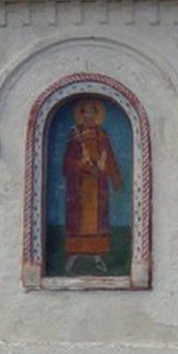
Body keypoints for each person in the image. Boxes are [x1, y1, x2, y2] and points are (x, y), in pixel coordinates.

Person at [62, 98, 122, 273]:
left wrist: (114, 177)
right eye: (86, 112)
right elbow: (68, 162)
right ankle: (73, 256)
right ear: (81, 114)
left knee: (97, 221)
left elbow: (108, 157)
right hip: (79, 186)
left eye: (92, 112)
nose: (89, 115)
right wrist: (85, 166)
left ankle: (97, 258)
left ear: (97, 115)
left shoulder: (102, 135)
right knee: (77, 221)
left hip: (97, 185)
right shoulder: (75, 135)